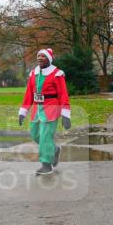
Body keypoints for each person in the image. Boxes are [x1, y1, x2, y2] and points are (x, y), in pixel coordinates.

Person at [18, 48, 71, 176]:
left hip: (52, 109)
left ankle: (46, 165)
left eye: (43, 56)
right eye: (38, 56)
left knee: (45, 137)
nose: (40, 58)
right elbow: (28, 94)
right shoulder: (33, 74)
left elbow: (63, 94)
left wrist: (66, 115)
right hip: (37, 109)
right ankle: (54, 149)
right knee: (35, 134)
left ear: (49, 59)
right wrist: (23, 112)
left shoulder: (57, 74)